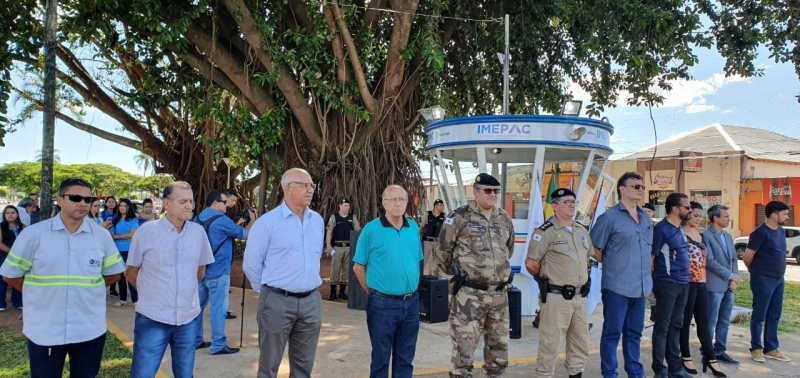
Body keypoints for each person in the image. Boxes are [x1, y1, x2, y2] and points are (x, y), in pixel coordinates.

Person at [0, 178, 125, 377]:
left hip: (89, 328)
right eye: (75, 198)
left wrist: (87, 289)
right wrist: (38, 292)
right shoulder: (34, 234)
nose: (83, 203)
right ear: (60, 200)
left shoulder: (101, 236)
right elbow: (10, 275)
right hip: (46, 328)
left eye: (88, 199)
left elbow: (114, 274)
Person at [125, 181, 215, 378]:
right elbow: (131, 273)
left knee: (185, 374)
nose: (189, 206)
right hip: (152, 318)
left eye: (191, 201)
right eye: (183, 201)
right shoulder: (146, 232)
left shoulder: (197, 233)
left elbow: (200, 271)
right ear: (167, 204)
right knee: (143, 374)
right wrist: (152, 295)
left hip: (187, 319)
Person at [243, 168, 324, 378]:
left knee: (304, 366)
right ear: (288, 188)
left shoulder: (317, 221)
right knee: (269, 365)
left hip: (311, 302)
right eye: (304, 185)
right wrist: (271, 293)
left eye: (312, 186)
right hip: (277, 301)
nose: (310, 190)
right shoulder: (267, 223)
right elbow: (251, 265)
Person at [436, 173, 515, 378]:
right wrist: (458, 274)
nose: (493, 195)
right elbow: (443, 251)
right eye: (488, 190)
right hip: (470, 294)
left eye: (496, 191)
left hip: (499, 296)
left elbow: (508, 250)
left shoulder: (504, 218)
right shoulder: (459, 217)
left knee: (499, 351)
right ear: (476, 191)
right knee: (464, 350)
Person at [353, 185, 423, 378]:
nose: (398, 203)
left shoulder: (413, 227)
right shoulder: (371, 229)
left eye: (402, 199)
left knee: (405, 358)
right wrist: (375, 293)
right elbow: (358, 267)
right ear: (384, 203)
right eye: (393, 199)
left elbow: (416, 260)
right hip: (382, 305)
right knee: (381, 359)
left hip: (411, 304)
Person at [588, 172, 653, 378]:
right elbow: (593, 247)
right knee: (612, 333)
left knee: (634, 333)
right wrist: (613, 263)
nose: (640, 190)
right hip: (617, 286)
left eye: (641, 186)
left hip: (641, 286)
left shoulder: (645, 218)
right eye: (635, 186)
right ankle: (610, 373)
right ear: (622, 190)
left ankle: (635, 371)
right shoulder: (609, 218)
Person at [526, 188, 594, 378]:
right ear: (554, 206)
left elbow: (588, 257)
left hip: (580, 297)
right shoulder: (545, 232)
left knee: (580, 343)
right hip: (557, 297)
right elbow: (531, 264)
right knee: (550, 342)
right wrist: (547, 280)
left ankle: (575, 374)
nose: (572, 205)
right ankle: (545, 375)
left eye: (574, 202)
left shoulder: (581, 229)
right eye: (566, 202)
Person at [191, 190, 255, 355]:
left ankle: (196, 340)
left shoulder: (197, 218)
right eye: (224, 202)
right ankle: (218, 344)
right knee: (218, 308)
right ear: (215, 203)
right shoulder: (222, 220)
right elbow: (245, 234)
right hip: (218, 270)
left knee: (198, 307)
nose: (226, 205)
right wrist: (252, 220)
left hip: (200, 271)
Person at [679, 201, 726, 377]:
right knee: (684, 323)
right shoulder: (680, 234)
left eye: (700, 216)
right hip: (686, 283)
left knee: (704, 322)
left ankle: (710, 356)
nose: (699, 219)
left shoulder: (701, 235)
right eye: (696, 215)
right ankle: (685, 355)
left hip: (702, 283)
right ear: (687, 214)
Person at [743, 200, 792, 363]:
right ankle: (756, 348)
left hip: (779, 279)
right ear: (774, 215)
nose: (787, 216)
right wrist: (754, 272)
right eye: (785, 214)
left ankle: (771, 348)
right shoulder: (759, 233)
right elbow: (748, 257)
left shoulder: (780, 231)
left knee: (775, 315)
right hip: (763, 279)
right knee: (759, 315)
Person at [651, 192, 692, 378]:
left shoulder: (680, 228)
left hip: (683, 283)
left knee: (677, 325)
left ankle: (675, 368)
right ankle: (659, 369)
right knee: (663, 327)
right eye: (687, 207)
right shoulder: (661, 229)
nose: (690, 210)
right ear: (675, 209)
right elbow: (651, 259)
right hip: (667, 283)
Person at [702, 205, 740, 365]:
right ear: (715, 218)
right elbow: (710, 261)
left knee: (724, 320)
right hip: (714, 284)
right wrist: (730, 275)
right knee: (711, 320)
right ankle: (707, 352)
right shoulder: (705, 235)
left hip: (729, 285)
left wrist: (734, 278)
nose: (728, 218)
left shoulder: (728, 236)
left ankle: (720, 350)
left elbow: (733, 259)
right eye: (725, 216)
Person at [325, 198, 361, 301]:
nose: (347, 208)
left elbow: (357, 231)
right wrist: (328, 246)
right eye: (345, 206)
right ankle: (332, 292)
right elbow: (329, 232)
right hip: (337, 247)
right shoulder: (334, 217)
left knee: (346, 270)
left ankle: (342, 291)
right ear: (340, 206)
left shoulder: (352, 217)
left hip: (349, 247)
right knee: (335, 269)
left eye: (348, 206)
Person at [110, 198, 140, 307]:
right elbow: (111, 235)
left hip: (129, 250)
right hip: (117, 250)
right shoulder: (115, 220)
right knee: (120, 275)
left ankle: (135, 299)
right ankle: (122, 299)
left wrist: (117, 237)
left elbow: (132, 234)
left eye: (125, 206)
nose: (122, 208)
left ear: (128, 207)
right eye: (121, 206)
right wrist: (124, 236)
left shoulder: (132, 220)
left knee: (129, 274)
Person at [0, 205, 25, 311]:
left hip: (20, 257)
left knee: (18, 277)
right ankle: (1, 304)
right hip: (4, 256)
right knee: (2, 280)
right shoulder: (1, 227)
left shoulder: (23, 226)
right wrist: (12, 252)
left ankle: (18, 302)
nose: (10, 215)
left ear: (17, 215)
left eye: (13, 212)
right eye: (7, 213)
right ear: (4, 215)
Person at [420, 199, 446, 276]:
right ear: (435, 206)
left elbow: (446, 228)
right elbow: (422, 227)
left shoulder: (444, 216)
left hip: (437, 242)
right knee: (423, 260)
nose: (442, 207)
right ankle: (419, 277)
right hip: (427, 241)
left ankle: (435, 277)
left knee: (437, 261)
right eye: (441, 205)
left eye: (443, 205)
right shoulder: (427, 214)